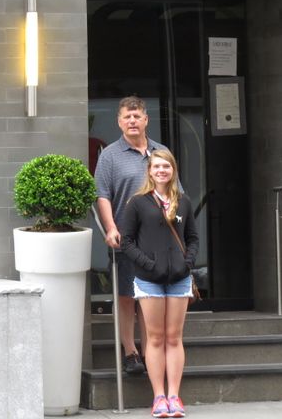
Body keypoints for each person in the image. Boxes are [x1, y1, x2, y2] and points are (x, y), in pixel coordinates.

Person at [94, 96, 172, 374]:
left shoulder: (160, 152)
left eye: (136, 116)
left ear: (146, 120)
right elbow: (102, 196)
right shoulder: (110, 156)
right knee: (127, 296)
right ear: (119, 121)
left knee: (151, 297)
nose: (132, 121)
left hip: (158, 241)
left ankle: (152, 348)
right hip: (126, 239)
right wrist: (110, 228)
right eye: (127, 117)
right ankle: (130, 352)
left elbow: (176, 192)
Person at [120, 149, 198, 418]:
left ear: (173, 170)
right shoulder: (138, 202)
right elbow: (126, 241)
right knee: (154, 338)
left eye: (166, 166)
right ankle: (158, 398)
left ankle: (175, 396)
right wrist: (147, 264)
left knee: (174, 338)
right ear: (150, 171)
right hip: (149, 280)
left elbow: (193, 238)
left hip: (179, 279)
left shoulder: (184, 202)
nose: (161, 171)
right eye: (157, 167)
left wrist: (187, 264)